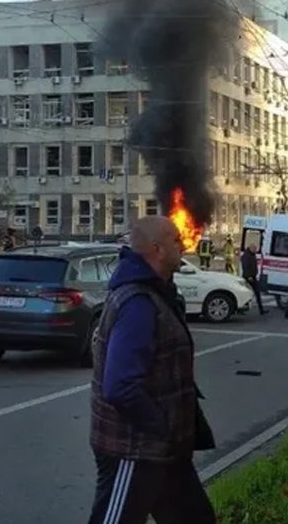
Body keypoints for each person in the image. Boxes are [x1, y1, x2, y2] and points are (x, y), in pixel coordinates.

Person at [88, 216, 216, 524]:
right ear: (157, 249)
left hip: (165, 451)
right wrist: (162, 427)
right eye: (176, 240)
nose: (184, 244)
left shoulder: (157, 293)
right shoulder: (137, 304)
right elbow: (120, 387)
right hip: (134, 451)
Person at [240, 243, 268, 315]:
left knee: (255, 293)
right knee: (249, 293)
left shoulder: (251, 255)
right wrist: (249, 276)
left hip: (252, 276)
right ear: (250, 248)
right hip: (248, 277)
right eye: (254, 249)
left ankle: (261, 309)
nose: (256, 250)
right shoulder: (246, 256)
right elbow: (245, 267)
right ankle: (242, 308)